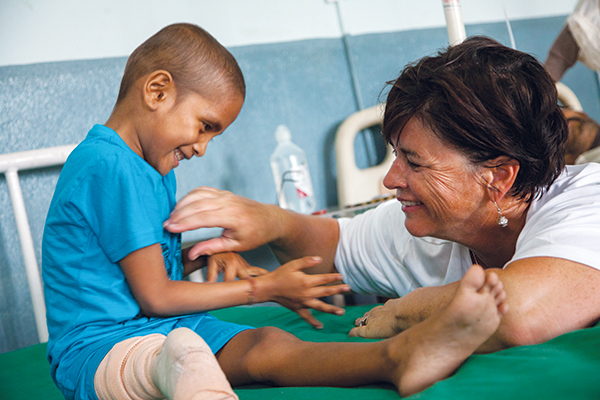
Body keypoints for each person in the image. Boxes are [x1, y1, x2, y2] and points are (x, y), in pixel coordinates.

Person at [42, 24, 509, 400]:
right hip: (98, 351)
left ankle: (397, 357)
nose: (203, 148)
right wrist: (261, 286)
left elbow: (128, 269)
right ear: (158, 91)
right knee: (184, 356)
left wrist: (200, 257)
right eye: (205, 127)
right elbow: (156, 297)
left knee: (266, 344)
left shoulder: (148, 167)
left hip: (158, 329)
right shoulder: (108, 165)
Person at [164, 36, 600, 353]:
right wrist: (273, 221)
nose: (390, 180)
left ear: (498, 177)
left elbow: (520, 313)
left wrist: (406, 310)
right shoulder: (427, 229)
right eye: (395, 156)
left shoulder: (587, 204)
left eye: (414, 162)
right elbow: (337, 246)